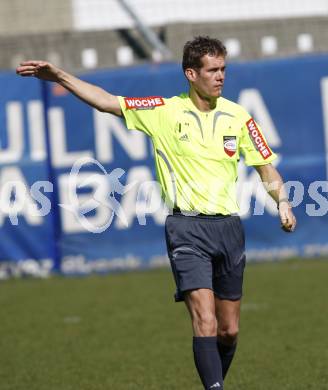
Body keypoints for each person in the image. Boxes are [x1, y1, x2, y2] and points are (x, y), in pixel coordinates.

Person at [16, 36, 296, 389]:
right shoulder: (162, 110)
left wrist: (281, 201)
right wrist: (60, 77)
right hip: (186, 229)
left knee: (228, 330)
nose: (221, 76)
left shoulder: (238, 117)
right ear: (191, 74)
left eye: (223, 69)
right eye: (212, 70)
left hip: (228, 229)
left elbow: (266, 167)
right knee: (204, 321)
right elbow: (107, 102)